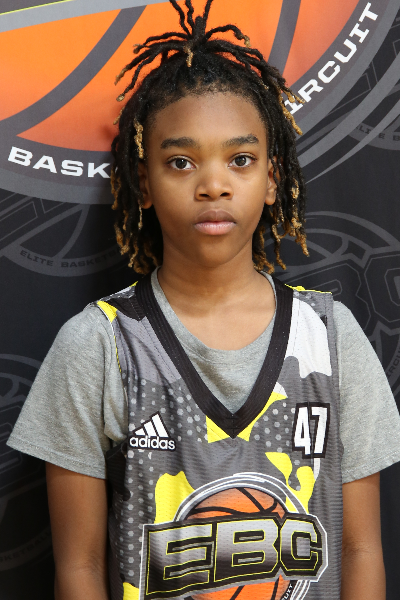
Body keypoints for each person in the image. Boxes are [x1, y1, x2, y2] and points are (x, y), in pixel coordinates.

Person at [7, 2, 400, 599]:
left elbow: (362, 549)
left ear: (273, 178)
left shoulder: (331, 336)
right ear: (144, 182)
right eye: (181, 162)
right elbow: (79, 568)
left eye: (240, 160)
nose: (213, 184)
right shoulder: (98, 344)